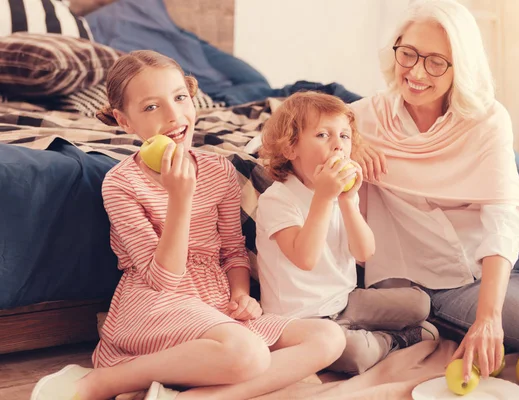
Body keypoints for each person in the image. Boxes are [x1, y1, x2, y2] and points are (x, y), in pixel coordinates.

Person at [31, 50, 345, 400]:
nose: (173, 115)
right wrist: (179, 198)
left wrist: (241, 294)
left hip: (214, 300)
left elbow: (232, 250)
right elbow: (163, 278)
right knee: (248, 354)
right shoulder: (121, 183)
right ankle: (100, 382)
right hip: (156, 302)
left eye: (180, 97)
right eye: (152, 107)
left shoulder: (219, 169)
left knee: (329, 338)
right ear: (124, 121)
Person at [350, 0, 519, 384]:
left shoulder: (487, 118)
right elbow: (275, 140)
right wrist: (345, 142)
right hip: (453, 282)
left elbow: (502, 214)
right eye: (409, 54)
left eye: (436, 61)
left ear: (460, 66)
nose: (416, 71)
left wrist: (490, 318)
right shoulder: (361, 120)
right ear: (396, 49)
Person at [256, 91, 438, 376]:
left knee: (420, 302)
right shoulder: (277, 200)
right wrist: (324, 199)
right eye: (323, 135)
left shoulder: (342, 193)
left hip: (345, 300)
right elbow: (305, 258)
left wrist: (346, 201)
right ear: (291, 149)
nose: (338, 146)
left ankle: (370, 329)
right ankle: (396, 339)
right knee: (356, 354)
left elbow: (364, 252)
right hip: (302, 319)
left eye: (344, 136)